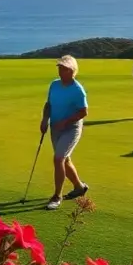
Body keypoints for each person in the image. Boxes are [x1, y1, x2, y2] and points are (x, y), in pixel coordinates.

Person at [39, 55, 89, 210]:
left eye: (64, 68)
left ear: (72, 71)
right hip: (55, 127)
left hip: (71, 128)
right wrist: (44, 119)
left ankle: (57, 196)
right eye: (60, 68)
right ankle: (79, 187)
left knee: (58, 158)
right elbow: (48, 104)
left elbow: (83, 112)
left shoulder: (77, 90)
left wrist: (65, 122)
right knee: (65, 160)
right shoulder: (54, 85)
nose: (61, 71)